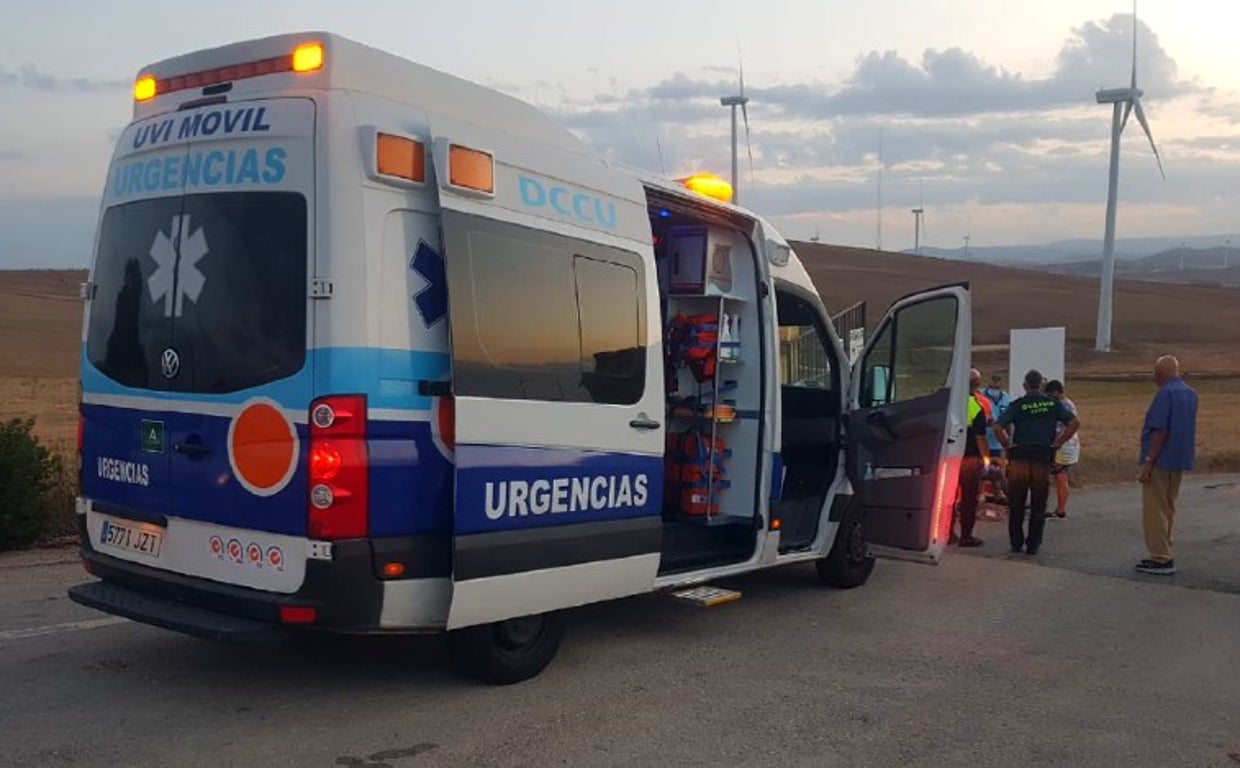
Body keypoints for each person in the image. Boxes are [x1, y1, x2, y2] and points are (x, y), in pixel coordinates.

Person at [995, 369, 1080, 555]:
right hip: (1042, 457)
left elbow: (997, 425)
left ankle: (1016, 543)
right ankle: (1033, 545)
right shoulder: (1052, 404)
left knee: (1017, 503)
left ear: (1025, 386)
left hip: (1020, 457)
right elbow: (1074, 422)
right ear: (1041, 385)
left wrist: (1006, 445)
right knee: (1038, 504)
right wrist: (1058, 443)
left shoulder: (1018, 405)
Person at [1136, 355, 1199, 576]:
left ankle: (1160, 557)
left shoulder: (1165, 394)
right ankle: (1165, 547)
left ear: (1159, 374)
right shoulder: (1190, 394)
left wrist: (1148, 462)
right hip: (1179, 458)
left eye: (1155, 372)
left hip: (1161, 459)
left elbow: (1160, 430)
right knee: (1168, 506)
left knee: (1154, 509)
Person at [952, 369, 991, 547]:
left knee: (948, 498)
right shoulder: (975, 406)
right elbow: (980, 437)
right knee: (968, 499)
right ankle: (966, 535)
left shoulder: (950, 401)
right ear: (976, 385)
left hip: (948, 456)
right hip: (969, 459)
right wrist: (986, 459)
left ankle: (948, 533)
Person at [1044, 379, 1080, 519]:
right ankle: (1059, 509)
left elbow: (1067, 426)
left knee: (1060, 477)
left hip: (1064, 446)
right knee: (1059, 477)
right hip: (1065, 445)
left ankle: (1060, 510)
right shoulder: (1065, 403)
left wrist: (1058, 442)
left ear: (1056, 392)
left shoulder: (1064, 405)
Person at [980, 373, 1011, 503]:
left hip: (998, 441)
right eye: (993, 380)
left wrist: (1008, 438)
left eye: (998, 381)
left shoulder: (1006, 398)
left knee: (998, 470)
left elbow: (1008, 419)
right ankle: (980, 494)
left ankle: (1001, 495)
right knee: (982, 468)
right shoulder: (981, 395)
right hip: (984, 439)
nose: (995, 384)